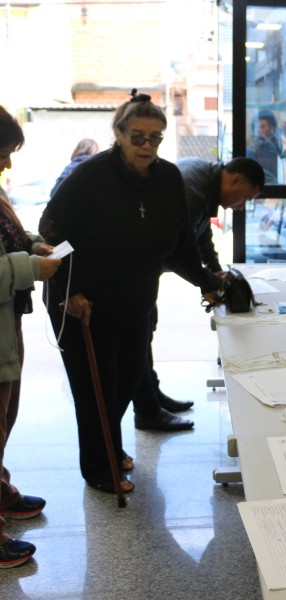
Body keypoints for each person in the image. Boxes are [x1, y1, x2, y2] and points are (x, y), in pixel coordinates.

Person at [39, 90, 222, 494]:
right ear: (118, 134)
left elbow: (181, 242)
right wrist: (71, 289)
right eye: (138, 136)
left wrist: (207, 283)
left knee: (126, 381)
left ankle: (111, 446)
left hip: (136, 299)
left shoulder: (168, 178)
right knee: (96, 390)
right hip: (82, 303)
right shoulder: (90, 177)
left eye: (156, 137)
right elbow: (52, 236)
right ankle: (100, 470)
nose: (147, 145)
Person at [131, 156, 264, 432]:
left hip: (146, 264)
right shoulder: (194, 187)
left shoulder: (207, 184)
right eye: (245, 198)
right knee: (139, 334)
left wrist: (215, 272)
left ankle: (151, 397)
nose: (242, 206)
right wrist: (207, 282)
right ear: (236, 179)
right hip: (135, 267)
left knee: (145, 331)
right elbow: (179, 248)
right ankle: (147, 409)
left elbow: (200, 236)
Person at [0, 106, 62, 567]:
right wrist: (29, 267)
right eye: (2, 154)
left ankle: (0, 492)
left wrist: (31, 243)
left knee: (4, 418)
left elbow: (8, 240)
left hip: (6, 321)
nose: (7, 165)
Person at [247, 110, 286, 184]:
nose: (258, 130)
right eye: (257, 127)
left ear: (272, 129)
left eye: (262, 127)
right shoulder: (252, 150)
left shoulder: (279, 150)